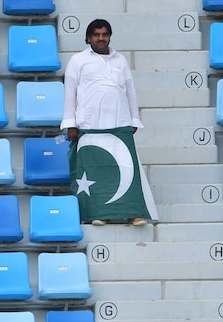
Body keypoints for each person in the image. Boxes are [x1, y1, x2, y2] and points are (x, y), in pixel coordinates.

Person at [61, 18, 157, 226]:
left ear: (109, 36)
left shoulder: (120, 60)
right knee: (97, 170)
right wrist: (71, 124)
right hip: (90, 125)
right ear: (88, 38)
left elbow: (130, 91)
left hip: (119, 125)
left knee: (126, 168)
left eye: (104, 34)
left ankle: (133, 213)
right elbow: (70, 94)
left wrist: (134, 119)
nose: (101, 38)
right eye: (96, 35)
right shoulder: (78, 61)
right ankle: (99, 214)